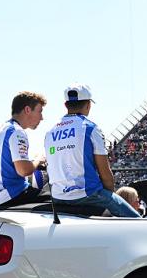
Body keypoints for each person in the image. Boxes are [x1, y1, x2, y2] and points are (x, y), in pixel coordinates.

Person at [44, 83, 139, 217]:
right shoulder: (90, 128)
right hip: (88, 195)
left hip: (58, 196)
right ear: (88, 105)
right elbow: (105, 172)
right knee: (137, 220)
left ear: (66, 105)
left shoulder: (49, 133)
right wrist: (109, 196)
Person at [0, 91, 47, 209]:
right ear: (27, 110)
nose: (42, 118)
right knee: (58, 202)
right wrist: (39, 159)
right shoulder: (17, 131)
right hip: (14, 196)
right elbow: (24, 170)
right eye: (40, 111)